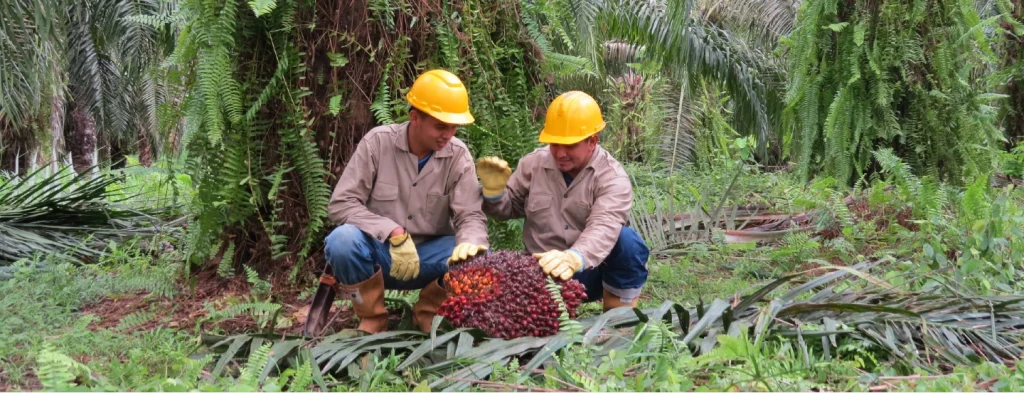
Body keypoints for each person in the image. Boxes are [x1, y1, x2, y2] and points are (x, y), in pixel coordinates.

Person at [305, 69, 490, 336]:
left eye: (453, 127)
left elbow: (470, 216)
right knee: (342, 241)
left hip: (430, 258)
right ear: (415, 118)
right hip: (380, 256)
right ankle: (372, 319)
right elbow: (341, 204)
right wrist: (391, 230)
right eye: (440, 126)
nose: (448, 134)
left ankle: (429, 316)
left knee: (478, 255)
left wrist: (470, 244)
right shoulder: (377, 144)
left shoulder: (458, 156)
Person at [475, 91, 650, 311]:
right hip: (540, 272)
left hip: (589, 270)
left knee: (627, 242)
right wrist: (494, 192)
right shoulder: (533, 165)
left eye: (569, 146)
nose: (560, 153)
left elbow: (604, 225)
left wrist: (575, 257)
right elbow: (507, 209)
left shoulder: (612, 178)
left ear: (592, 141)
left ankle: (619, 315)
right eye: (555, 144)